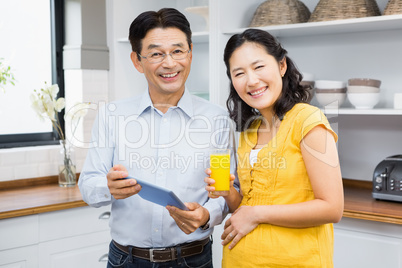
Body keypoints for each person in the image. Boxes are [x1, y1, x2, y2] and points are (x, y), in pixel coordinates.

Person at [78, 8, 236, 268]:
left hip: (192, 260)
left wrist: (207, 214)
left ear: (190, 53)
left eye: (177, 51)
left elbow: (224, 189)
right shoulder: (112, 115)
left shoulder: (217, 119)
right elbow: (88, 185)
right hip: (126, 260)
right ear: (137, 61)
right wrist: (109, 187)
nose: (170, 63)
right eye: (156, 54)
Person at [204, 28, 344, 267]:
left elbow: (332, 208)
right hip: (240, 260)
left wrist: (256, 214)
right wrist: (229, 192)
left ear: (282, 66)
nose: (251, 80)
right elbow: (247, 205)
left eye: (258, 67)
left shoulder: (308, 120)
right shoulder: (249, 130)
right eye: (239, 73)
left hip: (296, 260)